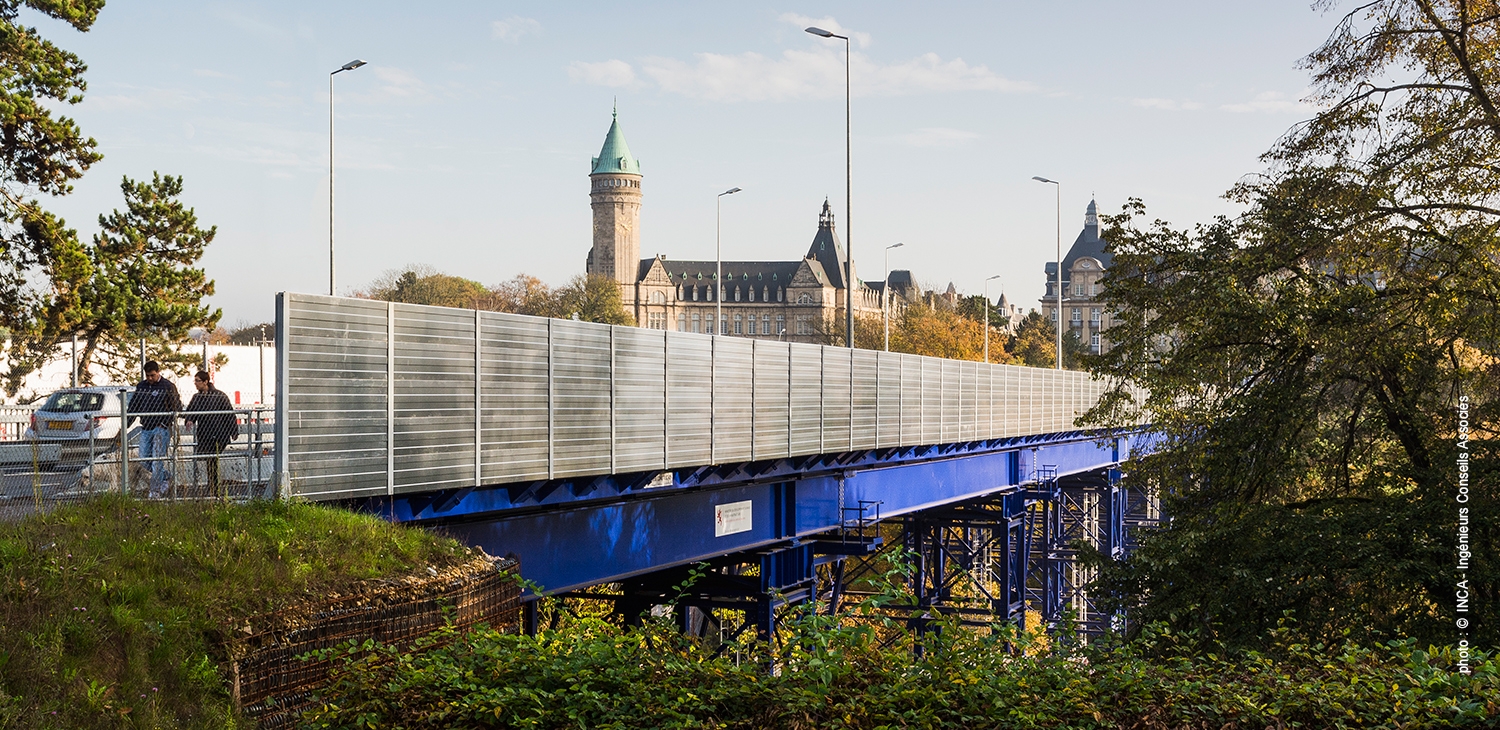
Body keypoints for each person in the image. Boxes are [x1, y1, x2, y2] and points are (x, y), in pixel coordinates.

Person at [128, 361, 182, 496]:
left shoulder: (168, 386)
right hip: (146, 427)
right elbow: (134, 406)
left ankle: (155, 491)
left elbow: (177, 407)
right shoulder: (142, 387)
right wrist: (126, 424)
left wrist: (166, 422)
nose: (150, 378)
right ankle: (166, 476)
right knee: (144, 459)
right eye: (148, 376)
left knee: (157, 460)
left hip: (161, 428)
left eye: (152, 375)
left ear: (158, 372)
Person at [184, 371, 237, 497]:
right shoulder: (197, 397)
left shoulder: (219, 396)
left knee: (212, 458)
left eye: (197, 381)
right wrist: (189, 420)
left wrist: (234, 430)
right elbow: (191, 411)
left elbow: (229, 414)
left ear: (205, 382)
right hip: (205, 434)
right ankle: (213, 488)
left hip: (219, 434)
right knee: (210, 460)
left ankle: (214, 488)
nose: (195, 384)